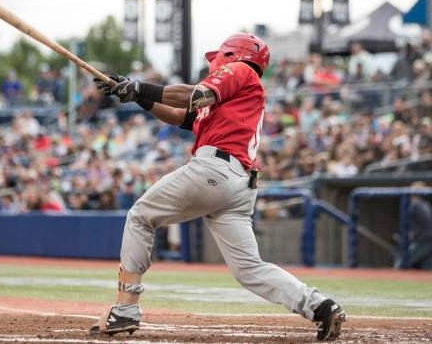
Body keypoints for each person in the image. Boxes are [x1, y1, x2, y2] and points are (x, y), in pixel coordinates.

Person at [92, 33, 345, 341]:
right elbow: (178, 115)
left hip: (215, 170)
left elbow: (195, 96)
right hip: (238, 184)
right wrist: (136, 95)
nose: (213, 63)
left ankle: (126, 310)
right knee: (249, 269)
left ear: (231, 54)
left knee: (140, 217)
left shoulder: (240, 70)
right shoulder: (233, 95)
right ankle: (320, 307)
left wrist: (140, 86)